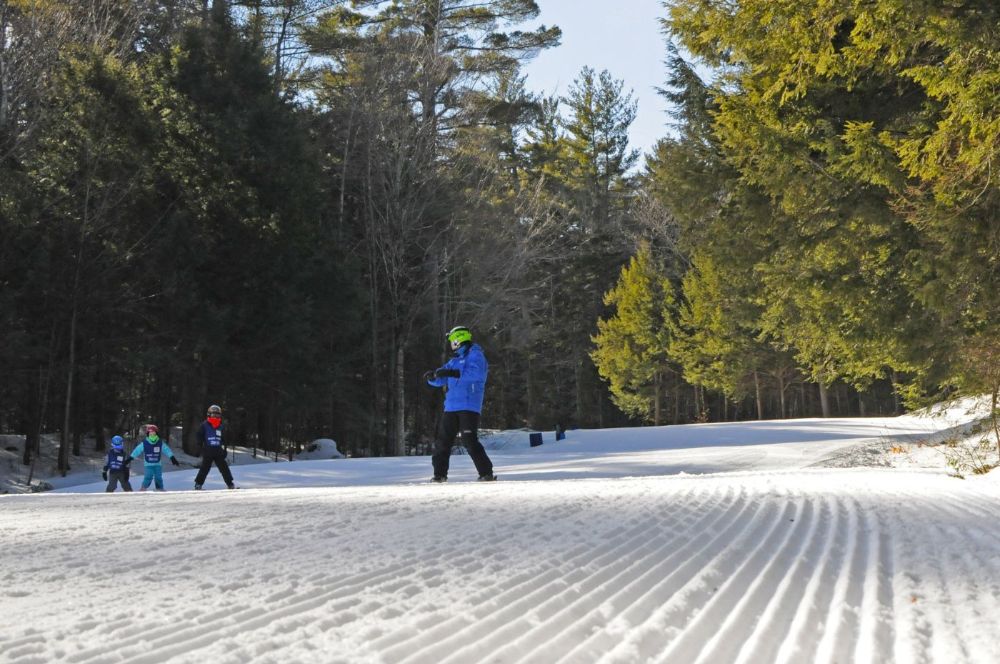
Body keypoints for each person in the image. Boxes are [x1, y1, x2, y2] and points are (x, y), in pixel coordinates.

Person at [423, 326, 496, 482]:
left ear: (459, 339)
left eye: (453, 341)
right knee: (443, 441)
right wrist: (432, 377)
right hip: (451, 407)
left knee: (469, 440)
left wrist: (452, 373)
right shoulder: (454, 361)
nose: (451, 345)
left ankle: (486, 473)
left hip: (469, 406)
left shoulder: (476, 356)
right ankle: (439, 475)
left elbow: (476, 374)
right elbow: (441, 377)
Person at [194, 404, 235, 490]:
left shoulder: (221, 426)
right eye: (213, 414)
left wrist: (225, 449)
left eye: (217, 414)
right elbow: (199, 435)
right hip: (208, 450)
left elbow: (224, 439)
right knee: (204, 468)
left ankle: (230, 484)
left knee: (224, 468)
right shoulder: (204, 425)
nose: (215, 416)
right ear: (209, 414)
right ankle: (198, 484)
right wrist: (199, 446)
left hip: (218, 451)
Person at [129, 424, 180, 491]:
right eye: (150, 433)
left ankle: (160, 488)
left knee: (158, 478)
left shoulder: (160, 442)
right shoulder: (145, 443)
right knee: (148, 477)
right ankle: (143, 488)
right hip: (148, 464)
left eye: (154, 433)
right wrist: (131, 457)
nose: (152, 435)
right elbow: (137, 450)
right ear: (148, 434)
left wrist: (172, 457)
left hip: (157, 464)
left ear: (156, 434)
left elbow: (166, 450)